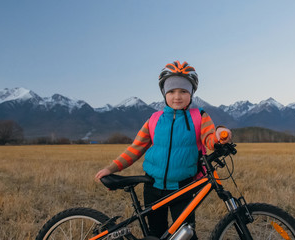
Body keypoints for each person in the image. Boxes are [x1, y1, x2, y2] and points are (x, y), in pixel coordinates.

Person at [95, 60, 232, 239]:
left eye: (183, 91)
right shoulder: (154, 119)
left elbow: (210, 139)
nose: (177, 96)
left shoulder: (199, 116)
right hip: (152, 186)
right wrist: (111, 169)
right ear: (164, 93)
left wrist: (221, 133)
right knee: (156, 233)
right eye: (172, 91)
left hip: (184, 187)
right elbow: (135, 149)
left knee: (186, 234)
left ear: (191, 93)